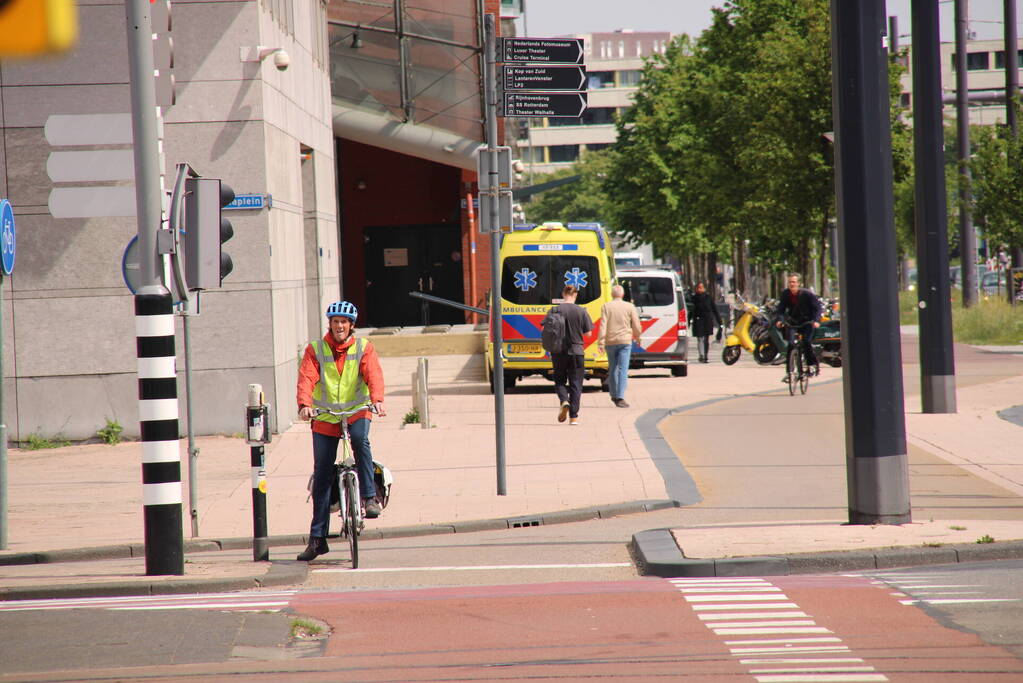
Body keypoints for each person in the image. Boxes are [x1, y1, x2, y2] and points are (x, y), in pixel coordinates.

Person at [295, 300, 387, 562]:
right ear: (330, 324)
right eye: (335, 322)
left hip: (358, 409)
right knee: (322, 473)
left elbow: (374, 375)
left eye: (344, 322)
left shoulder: (363, 348)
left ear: (351, 325)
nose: (339, 326)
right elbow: (306, 378)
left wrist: (377, 400)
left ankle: (370, 498)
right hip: (325, 415)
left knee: (360, 440)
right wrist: (305, 405)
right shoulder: (316, 349)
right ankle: (317, 540)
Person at [545, 284, 593, 425]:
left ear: (563, 293)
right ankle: (574, 417)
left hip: (558, 351)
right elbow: (589, 334)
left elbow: (546, 329)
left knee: (559, 380)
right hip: (577, 352)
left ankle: (564, 400)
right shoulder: (581, 311)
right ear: (575, 295)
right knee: (576, 384)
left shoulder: (554, 310)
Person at [598, 284, 641, 408]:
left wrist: (601, 342)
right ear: (622, 294)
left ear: (612, 294)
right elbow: (636, 324)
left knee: (613, 368)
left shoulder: (606, 306)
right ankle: (620, 396)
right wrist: (638, 337)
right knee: (623, 369)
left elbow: (603, 325)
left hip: (610, 342)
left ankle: (613, 394)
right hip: (625, 341)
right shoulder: (630, 306)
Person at [774, 273, 822, 379]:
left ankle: (811, 366)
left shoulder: (807, 294)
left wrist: (816, 320)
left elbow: (818, 308)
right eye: (790, 282)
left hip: (807, 322)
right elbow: (780, 310)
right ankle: (789, 373)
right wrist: (780, 320)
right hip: (793, 322)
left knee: (806, 342)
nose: (791, 284)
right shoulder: (786, 294)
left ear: (799, 284)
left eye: (794, 282)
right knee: (790, 345)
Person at [689, 282, 722, 364]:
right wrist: (688, 322)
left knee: (706, 339)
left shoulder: (708, 298)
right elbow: (691, 311)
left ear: (704, 288)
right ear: (696, 289)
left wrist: (719, 322)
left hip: (707, 320)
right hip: (698, 320)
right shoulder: (693, 298)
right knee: (699, 338)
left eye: (701, 287)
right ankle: (701, 355)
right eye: (698, 287)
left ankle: (706, 356)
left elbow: (714, 310)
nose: (700, 289)